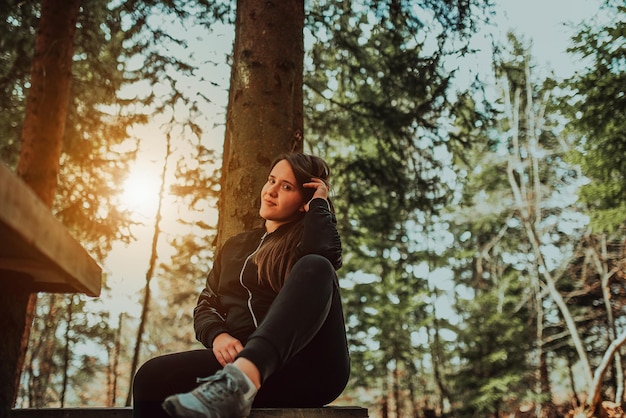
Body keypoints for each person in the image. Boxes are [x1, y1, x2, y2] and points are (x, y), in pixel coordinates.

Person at [132, 152, 350, 418]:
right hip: (236, 366)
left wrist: (319, 205)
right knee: (152, 377)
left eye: (286, 187)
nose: (271, 191)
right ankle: (237, 382)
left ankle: (243, 380)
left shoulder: (306, 244)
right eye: (271, 181)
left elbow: (325, 255)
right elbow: (207, 303)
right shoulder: (234, 247)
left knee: (316, 265)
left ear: (304, 201)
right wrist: (218, 335)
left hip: (307, 369)